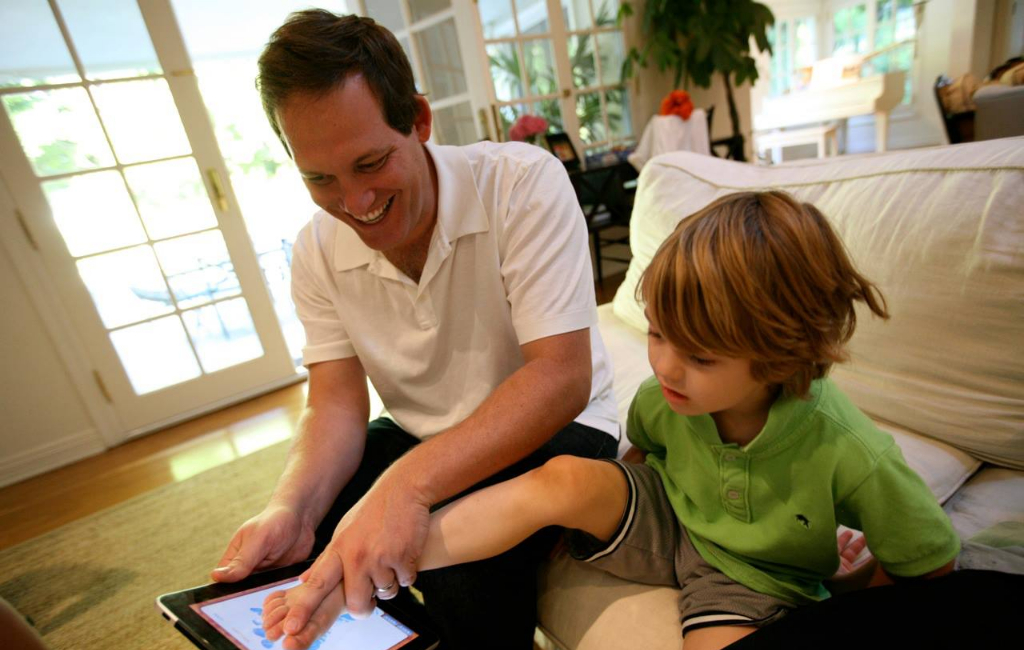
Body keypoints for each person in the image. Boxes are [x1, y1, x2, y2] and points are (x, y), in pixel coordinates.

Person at [262, 191, 962, 650]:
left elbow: (929, 562)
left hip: (752, 578)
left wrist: (842, 587)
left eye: (699, 353)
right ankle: (352, 573)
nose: (665, 366)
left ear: (783, 351)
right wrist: (608, 513)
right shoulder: (667, 400)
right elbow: (642, 456)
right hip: (671, 513)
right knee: (565, 477)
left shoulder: (848, 449)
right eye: (656, 334)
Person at [210, 9, 619, 650]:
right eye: (320, 178)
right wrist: (292, 507)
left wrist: (407, 485)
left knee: (448, 557)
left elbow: (561, 376)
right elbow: (336, 404)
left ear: (420, 121)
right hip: (424, 431)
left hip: (563, 425)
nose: (355, 202)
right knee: (306, 539)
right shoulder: (316, 250)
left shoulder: (521, 183)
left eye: (370, 163)